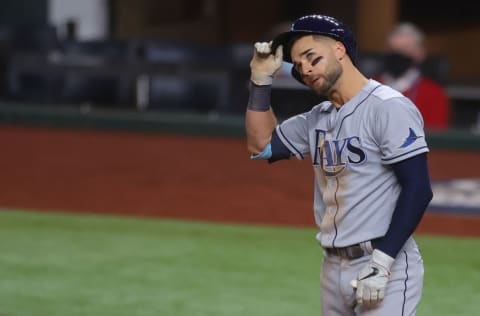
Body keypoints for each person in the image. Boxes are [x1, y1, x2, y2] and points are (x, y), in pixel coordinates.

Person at [245, 14, 433, 315]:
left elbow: (418, 188)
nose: (305, 68)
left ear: (339, 50)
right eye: (299, 64)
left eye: (311, 56)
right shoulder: (317, 118)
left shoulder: (387, 106)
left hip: (386, 260)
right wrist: (260, 80)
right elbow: (261, 144)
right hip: (332, 266)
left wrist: (383, 263)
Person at [376, 22, 450, 130]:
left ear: (420, 54)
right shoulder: (366, 86)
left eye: (405, 50)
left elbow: (437, 138)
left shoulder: (434, 93)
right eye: (393, 50)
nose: (398, 55)